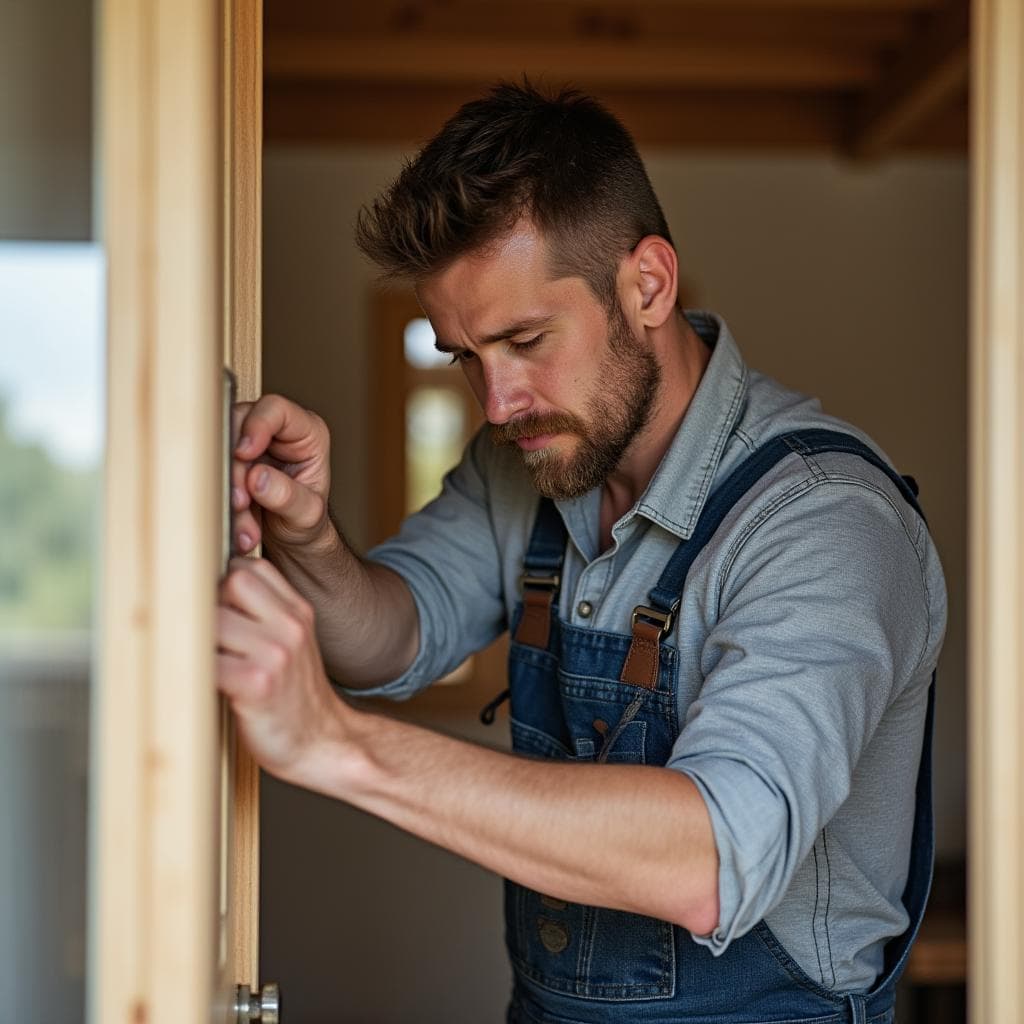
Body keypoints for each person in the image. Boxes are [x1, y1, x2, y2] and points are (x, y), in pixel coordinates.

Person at [217, 83, 946, 1023]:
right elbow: (388, 641)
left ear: (647, 283)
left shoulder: (826, 522)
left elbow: (714, 860)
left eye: (525, 340)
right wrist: (306, 538)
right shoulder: (525, 464)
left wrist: (333, 745)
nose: (497, 402)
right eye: (465, 357)